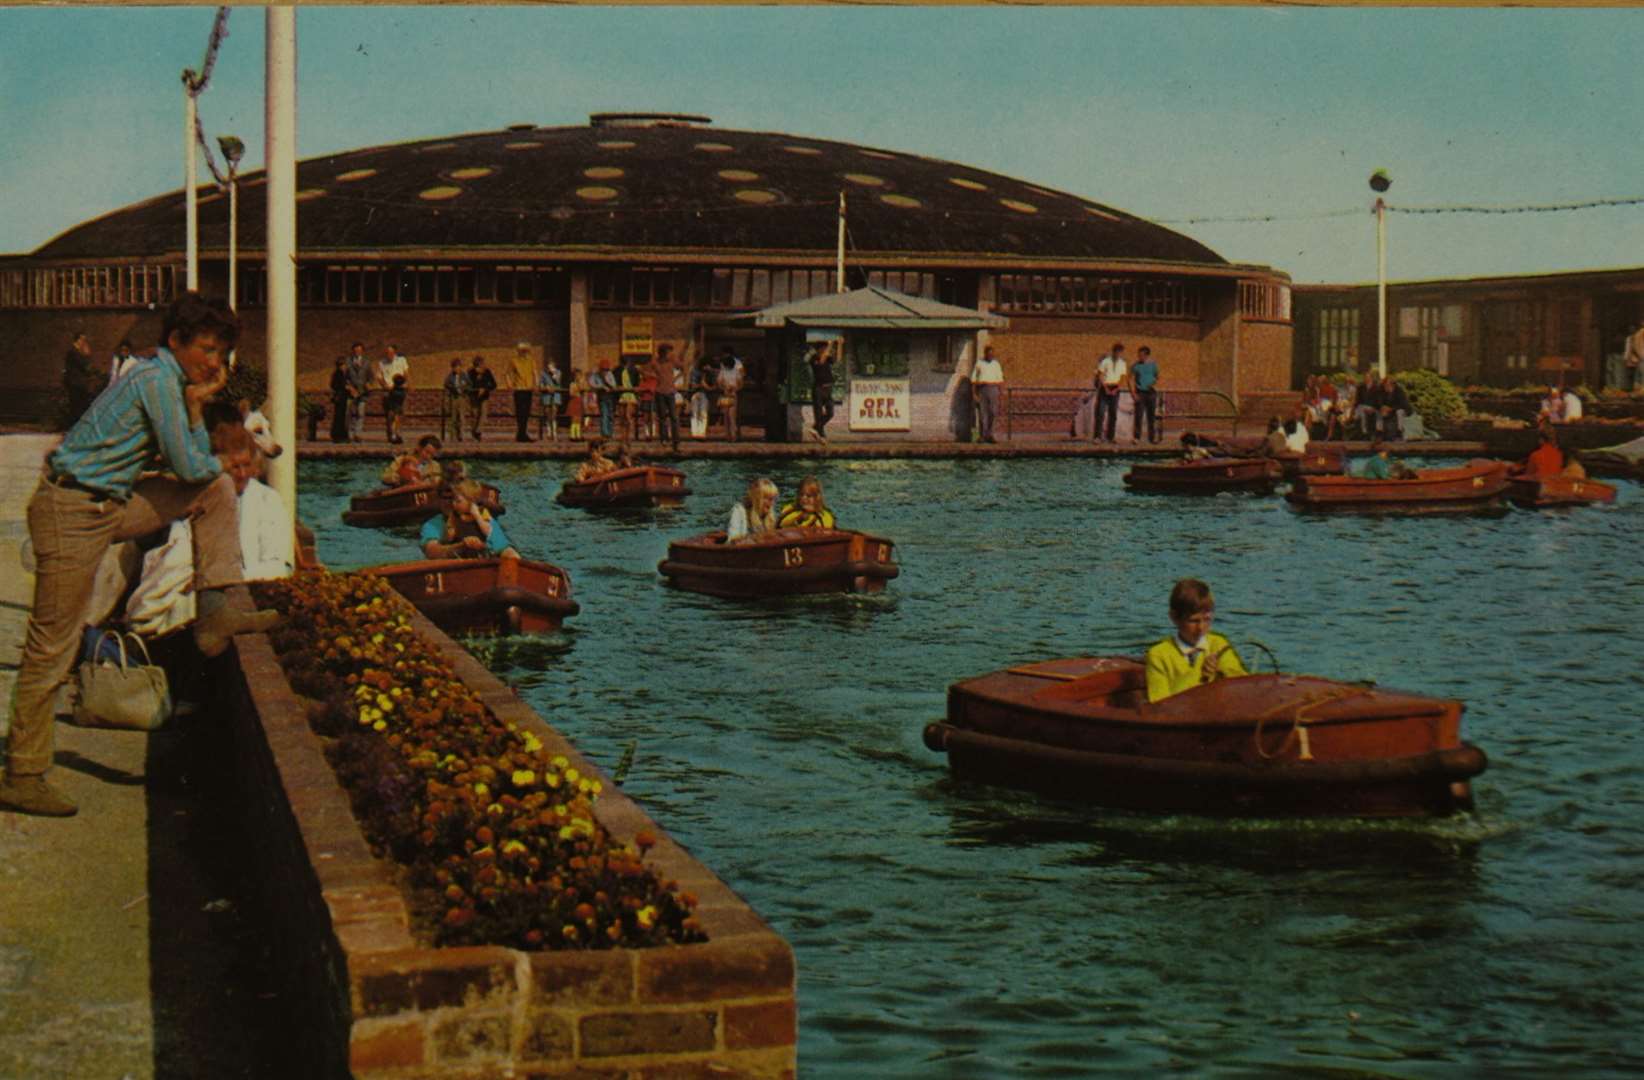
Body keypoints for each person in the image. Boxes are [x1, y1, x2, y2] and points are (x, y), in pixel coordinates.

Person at [0, 293, 282, 818]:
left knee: (216, 491)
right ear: (175, 341)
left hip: (110, 503)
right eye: (206, 348)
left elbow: (200, 474)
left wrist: (195, 407)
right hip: (71, 509)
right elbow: (191, 463)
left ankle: (218, 609)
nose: (214, 362)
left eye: (221, 352)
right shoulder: (156, 381)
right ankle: (22, 772)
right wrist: (198, 410)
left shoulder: (167, 382)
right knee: (53, 645)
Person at [1144, 579, 1249, 704]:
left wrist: (1220, 672)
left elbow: (1243, 686)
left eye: (1207, 619)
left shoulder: (1219, 644)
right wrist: (1200, 675)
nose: (1201, 627)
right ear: (1174, 618)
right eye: (1193, 621)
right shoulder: (1158, 655)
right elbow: (1160, 706)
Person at [420, 481, 518, 560]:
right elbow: (432, 552)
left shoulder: (483, 517)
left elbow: (502, 546)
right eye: (446, 498)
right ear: (438, 499)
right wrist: (461, 546)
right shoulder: (432, 525)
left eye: (455, 499)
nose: (451, 503)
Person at [60, 330, 101, 430]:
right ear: (78, 340)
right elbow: (85, 367)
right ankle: (75, 429)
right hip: (76, 384)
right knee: (77, 407)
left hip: (77, 384)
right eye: (83, 340)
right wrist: (87, 355)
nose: (84, 342)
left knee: (78, 406)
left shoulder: (75, 352)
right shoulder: (74, 352)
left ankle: (75, 428)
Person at [726, 477, 778, 543]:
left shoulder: (770, 517)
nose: (772, 503)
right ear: (757, 498)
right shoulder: (739, 511)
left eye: (773, 499)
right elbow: (732, 540)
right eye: (768, 499)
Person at [1093, 342, 1127, 443]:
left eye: (1120, 352)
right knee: (1100, 412)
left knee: (1113, 413)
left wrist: (1117, 388)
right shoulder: (1106, 361)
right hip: (1105, 386)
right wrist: (1105, 387)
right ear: (1113, 351)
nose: (1118, 354)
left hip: (1115, 387)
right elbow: (1100, 375)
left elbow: (1122, 377)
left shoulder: (1122, 363)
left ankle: (1110, 437)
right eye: (1116, 352)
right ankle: (1097, 436)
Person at [971, 344, 1004, 443]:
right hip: (982, 388)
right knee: (982, 413)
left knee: (993, 412)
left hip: (993, 388)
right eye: (989, 354)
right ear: (985, 354)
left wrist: (1001, 393)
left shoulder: (996, 364)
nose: (990, 356)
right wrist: (974, 393)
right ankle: (982, 436)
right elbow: (973, 379)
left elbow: (1000, 379)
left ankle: (990, 434)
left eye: (992, 354)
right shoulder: (979, 363)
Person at [507, 341, 538, 442]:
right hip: (519, 389)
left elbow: (535, 373)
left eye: (526, 351)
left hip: (528, 389)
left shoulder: (531, 361)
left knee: (526, 412)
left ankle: (522, 433)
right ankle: (521, 433)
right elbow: (508, 373)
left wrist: (536, 384)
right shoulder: (514, 361)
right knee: (520, 412)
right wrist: (510, 385)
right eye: (522, 351)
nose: (524, 352)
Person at [1130, 345, 1160, 444]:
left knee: (1151, 416)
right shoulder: (1136, 366)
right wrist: (1133, 393)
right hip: (1140, 393)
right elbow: (1129, 378)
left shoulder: (1153, 365)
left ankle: (1152, 438)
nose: (1140, 357)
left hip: (1151, 392)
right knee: (1138, 416)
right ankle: (1137, 437)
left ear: (1147, 355)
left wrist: (1152, 383)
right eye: (1139, 355)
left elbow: (1157, 376)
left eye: (1142, 355)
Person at [807, 341, 836, 444]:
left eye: (825, 348)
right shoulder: (814, 358)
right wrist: (830, 345)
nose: (825, 351)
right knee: (818, 413)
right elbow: (822, 360)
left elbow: (838, 360)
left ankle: (815, 428)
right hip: (818, 389)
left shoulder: (827, 358)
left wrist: (840, 344)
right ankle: (821, 435)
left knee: (830, 412)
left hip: (828, 389)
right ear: (819, 349)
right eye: (823, 348)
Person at [345, 342, 372, 442]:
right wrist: (350, 388)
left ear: (362, 351)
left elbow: (370, 376)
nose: (357, 352)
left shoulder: (367, 362)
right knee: (351, 413)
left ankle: (358, 433)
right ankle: (350, 433)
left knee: (360, 413)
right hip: (351, 392)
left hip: (362, 392)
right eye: (356, 350)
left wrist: (369, 384)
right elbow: (345, 377)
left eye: (359, 350)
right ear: (353, 351)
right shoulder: (348, 362)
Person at [717, 350, 745, 442]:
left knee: (731, 416)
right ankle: (728, 436)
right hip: (727, 394)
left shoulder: (735, 371)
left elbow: (740, 383)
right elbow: (719, 382)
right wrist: (725, 387)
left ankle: (733, 436)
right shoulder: (723, 371)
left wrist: (733, 388)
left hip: (732, 394)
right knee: (726, 416)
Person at [467, 355, 496, 439]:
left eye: (482, 365)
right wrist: (476, 390)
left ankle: (478, 431)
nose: (480, 368)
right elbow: (468, 386)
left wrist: (485, 389)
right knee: (475, 415)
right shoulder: (470, 373)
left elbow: (494, 384)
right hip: (474, 397)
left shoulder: (487, 372)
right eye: (478, 366)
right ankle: (474, 433)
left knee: (483, 413)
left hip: (484, 397)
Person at [689, 354, 717, 439]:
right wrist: (703, 384)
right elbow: (693, 384)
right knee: (695, 413)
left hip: (704, 394)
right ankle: (695, 432)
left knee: (703, 413)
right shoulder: (695, 371)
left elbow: (714, 384)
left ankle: (701, 432)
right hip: (696, 393)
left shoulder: (710, 372)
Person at [442, 357, 469, 442]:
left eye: (458, 367)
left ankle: (461, 435)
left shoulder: (464, 376)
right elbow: (446, 386)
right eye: (455, 367)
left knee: (461, 417)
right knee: (453, 418)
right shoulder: (450, 377)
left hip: (462, 398)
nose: (457, 369)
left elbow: (469, 385)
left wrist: (464, 390)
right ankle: (453, 436)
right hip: (453, 398)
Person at [329, 356, 355, 443]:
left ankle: (339, 435)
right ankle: (339, 436)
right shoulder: (338, 374)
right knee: (340, 417)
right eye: (343, 365)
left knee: (341, 417)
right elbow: (336, 385)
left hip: (342, 398)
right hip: (340, 398)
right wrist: (346, 388)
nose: (345, 366)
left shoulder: (342, 374)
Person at [538, 355, 564, 441]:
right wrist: (545, 387)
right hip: (546, 396)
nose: (549, 368)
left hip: (555, 396)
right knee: (547, 414)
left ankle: (554, 433)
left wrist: (553, 374)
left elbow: (558, 381)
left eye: (551, 366)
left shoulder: (558, 372)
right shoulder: (543, 374)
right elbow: (541, 384)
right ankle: (549, 432)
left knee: (554, 414)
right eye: (548, 366)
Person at [1377, 374, 1411, 440]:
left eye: (1387, 385)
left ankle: (1399, 431)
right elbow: (1379, 401)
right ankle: (1379, 431)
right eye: (1385, 385)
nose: (1386, 387)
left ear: (1392, 385)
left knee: (1399, 412)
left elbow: (1402, 404)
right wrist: (1382, 407)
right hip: (1388, 410)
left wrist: (1391, 409)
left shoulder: (1399, 391)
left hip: (1400, 409)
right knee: (1379, 413)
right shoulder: (1382, 390)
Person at [590, 358, 617, 439]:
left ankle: (610, 432)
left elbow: (614, 384)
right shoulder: (596, 375)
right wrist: (601, 387)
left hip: (610, 397)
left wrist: (609, 385)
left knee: (610, 416)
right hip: (602, 397)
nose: (605, 371)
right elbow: (591, 383)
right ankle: (605, 433)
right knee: (604, 415)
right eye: (603, 369)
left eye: (606, 369)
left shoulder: (610, 374)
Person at [1354, 369, 1382, 438]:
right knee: (1361, 409)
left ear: (1371, 378)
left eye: (1368, 377)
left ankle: (1365, 430)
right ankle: (1364, 431)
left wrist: (1373, 408)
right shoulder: (1361, 387)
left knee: (1361, 411)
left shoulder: (1377, 388)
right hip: (1362, 407)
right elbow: (1358, 400)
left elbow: (1378, 401)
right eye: (1365, 377)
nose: (1366, 379)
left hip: (1372, 407)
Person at [383, 373, 408, 444]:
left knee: (392, 424)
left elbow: (389, 399)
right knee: (396, 423)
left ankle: (393, 436)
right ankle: (395, 436)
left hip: (392, 408)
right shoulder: (402, 391)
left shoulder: (393, 391)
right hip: (398, 409)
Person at [565, 368, 587, 441]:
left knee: (579, 420)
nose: (578, 377)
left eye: (580, 376)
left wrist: (581, 385)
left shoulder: (580, 384)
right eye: (577, 376)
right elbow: (571, 393)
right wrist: (577, 390)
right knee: (574, 420)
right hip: (574, 401)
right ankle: (572, 435)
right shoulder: (572, 384)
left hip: (579, 401)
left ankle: (578, 435)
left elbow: (584, 389)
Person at [1626, 320, 1644, 392]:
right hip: (1642, 358)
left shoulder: (1638, 334)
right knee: (1641, 377)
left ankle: (1638, 392)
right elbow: (1636, 346)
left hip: (1640, 358)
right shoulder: (1640, 334)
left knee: (1638, 377)